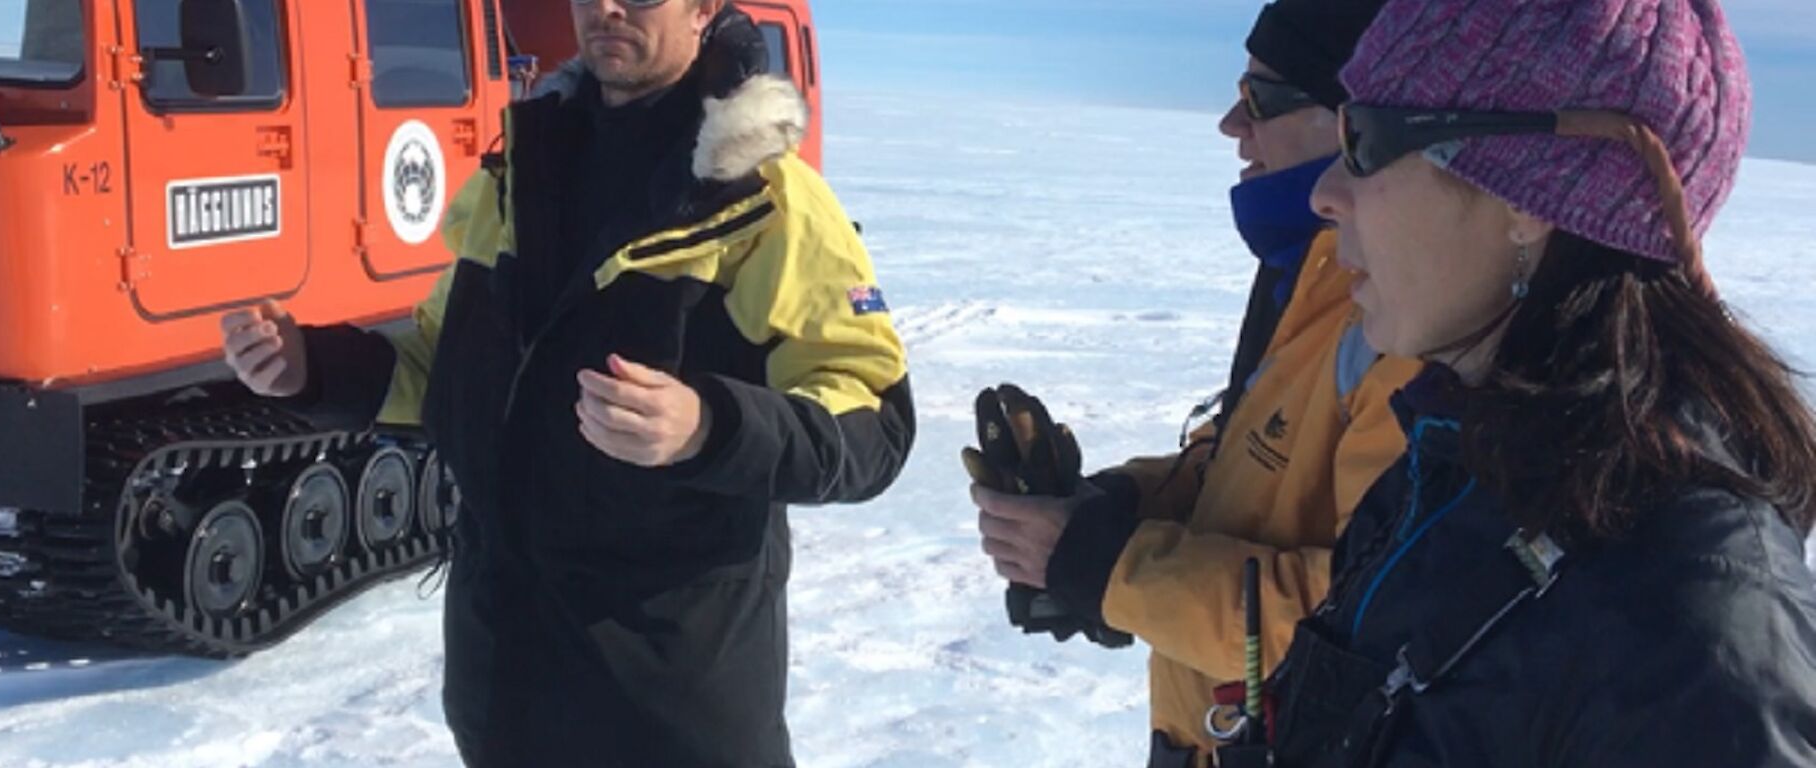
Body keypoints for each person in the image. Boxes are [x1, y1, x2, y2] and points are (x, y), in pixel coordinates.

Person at [218, 1, 914, 765]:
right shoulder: (521, 169)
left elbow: (872, 423)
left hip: (669, 701)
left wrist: (707, 426)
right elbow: (445, 367)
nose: (607, 8)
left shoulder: (764, 199)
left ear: (704, 9)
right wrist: (310, 366)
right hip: (507, 688)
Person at [1260, 0, 1816, 765]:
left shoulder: (1693, 623)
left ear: (1527, 199)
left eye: (1365, 140)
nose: (1326, 192)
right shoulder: (1453, 457)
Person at [970, 0, 1418, 765]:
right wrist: (1116, 507)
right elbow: (1256, 461)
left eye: (1261, 101)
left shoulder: (1407, 325)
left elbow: (1365, 620)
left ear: (1355, 120)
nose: (1230, 125)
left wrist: (1107, 567)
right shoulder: (1309, 275)